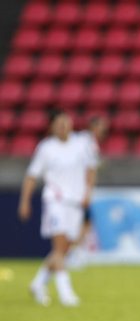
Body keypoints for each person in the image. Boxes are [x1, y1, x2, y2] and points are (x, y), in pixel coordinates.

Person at [18, 109, 97, 306]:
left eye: (66, 122)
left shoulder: (81, 144)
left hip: (75, 202)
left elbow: (91, 168)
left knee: (64, 249)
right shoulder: (46, 148)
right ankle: (66, 293)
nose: (64, 126)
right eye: (59, 123)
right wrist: (25, 201)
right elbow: (32, 176)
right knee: (59, 246)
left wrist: (88, 191)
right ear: (52, 127)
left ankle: (38, 283)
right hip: (56, 201)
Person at [67, 115, 109, 268]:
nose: (104, 131)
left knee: (83, 222)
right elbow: (88, 169)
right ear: (93, 127)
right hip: (78, 190)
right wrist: (88, 192)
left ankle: (74, 252)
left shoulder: (81, 140)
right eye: (101, 127)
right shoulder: (87, 143)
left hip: (73, 188)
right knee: (83, 222)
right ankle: (73, 253)